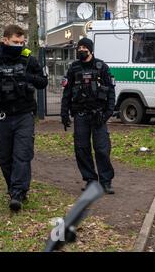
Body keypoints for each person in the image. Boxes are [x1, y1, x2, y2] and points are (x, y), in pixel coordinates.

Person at [0, 25, 48, 211]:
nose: (19, 46)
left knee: (22, 154)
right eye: (15, 42)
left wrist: (26, 76)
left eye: (21, 43)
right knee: (4, 157)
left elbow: (43, 81)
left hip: (24, 114)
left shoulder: (28, 58)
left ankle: (18, 193)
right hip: (2, 115)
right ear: (5, 40)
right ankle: (14, 188)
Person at [61, 37, 116, 194]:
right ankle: (90, 180)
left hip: (98, 116)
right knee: (82, 149)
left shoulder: (102, 67)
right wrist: (64, 113)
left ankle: (106, 182)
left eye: (85, 47)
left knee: (102, 149)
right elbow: (67, 92)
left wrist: (108, 113)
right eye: (79, 48)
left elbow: (111, 91)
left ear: (91, 50)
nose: (81, 50)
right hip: (80, 115)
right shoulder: (73, 68)